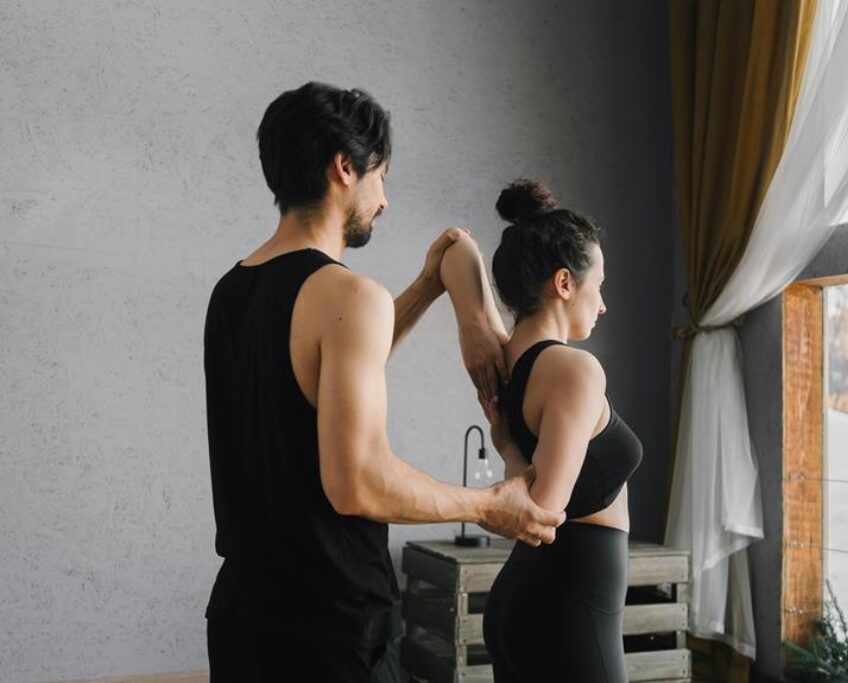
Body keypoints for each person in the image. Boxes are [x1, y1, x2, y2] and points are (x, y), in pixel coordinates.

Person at [202, 83, 564, 682]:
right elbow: (359, 483)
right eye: (381, 177)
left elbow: (316, 376)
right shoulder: (348, 295)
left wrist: (426, 285)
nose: (385, 201)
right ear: (345, 167)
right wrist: (488, 506)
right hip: (331, 629)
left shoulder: (232, 289)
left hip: (242, 618)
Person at [475, 179, 645, 683]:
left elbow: (456, 251)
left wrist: (507, 447)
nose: (603, 304)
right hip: (569, 613)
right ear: (565, 283)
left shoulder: (508, 360)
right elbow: (543, 511)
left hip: (531, 602)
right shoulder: (575, 369)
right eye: (599, 285)